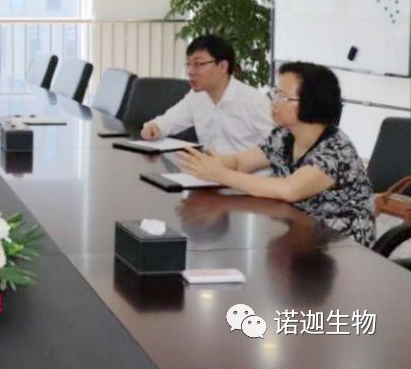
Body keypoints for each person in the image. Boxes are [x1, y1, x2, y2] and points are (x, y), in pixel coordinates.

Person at [178, 62, 376, 246]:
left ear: (311, 103)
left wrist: (221, 174)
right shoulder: (284, 135)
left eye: (283, 97)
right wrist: (207, 163)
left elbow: (289, 189)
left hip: (341, 245)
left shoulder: (336, 150)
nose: (273, 102)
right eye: (275, 93)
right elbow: (240, 161)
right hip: (300, 230)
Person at [140, 35, 274, 153]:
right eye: (188, 64)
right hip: (207, 171)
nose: (191, 72)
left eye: (198, 64)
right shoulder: (197, 97)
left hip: (243, 173)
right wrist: (154, 127)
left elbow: (278, 149)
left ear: (223, 66)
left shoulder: (254, 102)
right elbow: (167, 122)